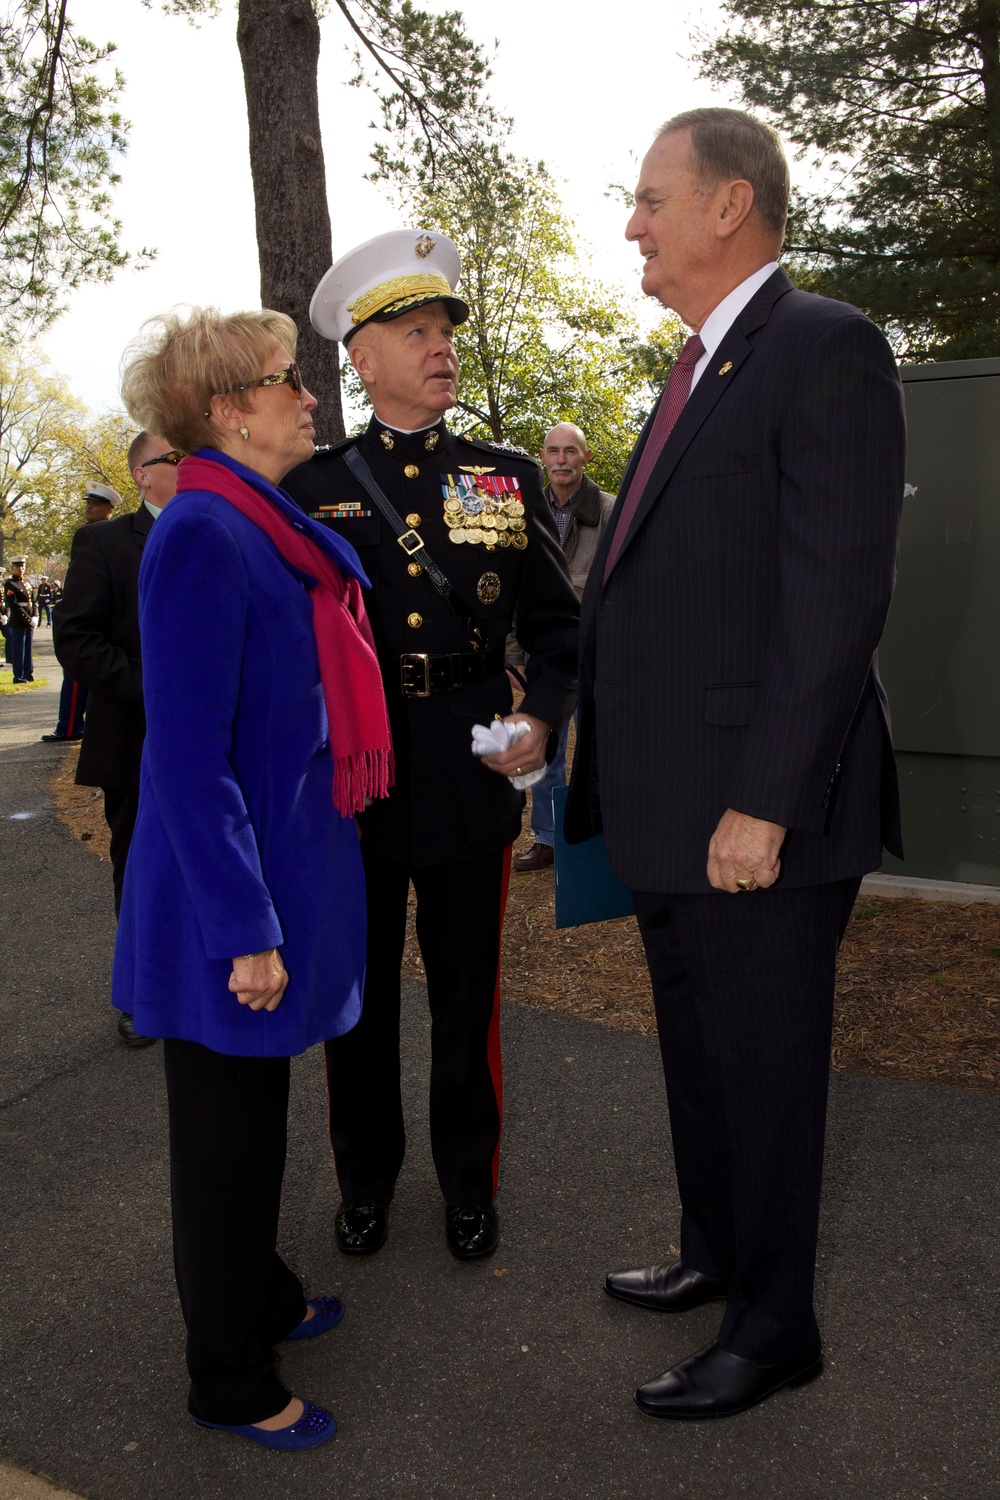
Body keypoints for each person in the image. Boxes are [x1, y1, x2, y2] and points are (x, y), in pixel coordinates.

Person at [565, 108, 905, 1420]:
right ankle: (718, 1253)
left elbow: (834, 598)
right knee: (703, 1061)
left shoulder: (823, 346)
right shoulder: (697, 365)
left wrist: (763, 800)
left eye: (652, 199)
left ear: (730, 207)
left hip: (762, 814)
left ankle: (777, 1328)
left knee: (764, 1074)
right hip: (673, 809)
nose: (633, 226)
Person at [113, 306, 392, 1450]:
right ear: (229, 411)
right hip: (226, 907)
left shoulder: (260, 523)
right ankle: (227, 1374)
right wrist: (245, 931)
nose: (309, 397)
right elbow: (183, 755)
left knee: (257, 1118)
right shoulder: (201, 533)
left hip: (276, 879)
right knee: (226, 1145)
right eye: (288, 381)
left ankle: (264, 1296)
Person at [284, 229, 579, 1262]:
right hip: (354, 781)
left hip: (464, 767)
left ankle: (469, 1181)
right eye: (414, 332)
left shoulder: (500, 478)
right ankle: (365, 1181)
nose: (440, 347)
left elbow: (555, 627)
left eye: (445, 328)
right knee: (356, 997)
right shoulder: (313, 482)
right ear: (361, 357)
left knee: (467, 998)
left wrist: (539, 716)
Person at [52, 441, 178, 1046]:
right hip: (136, 737)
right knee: (141, 866)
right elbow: (77, 640)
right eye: (174, 455)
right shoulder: (103, 543)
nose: (188, 464)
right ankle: (139, 994)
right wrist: (156, 690)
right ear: (141, 475)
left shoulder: (217, 529)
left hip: (221, 739)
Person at [512, 423, 615, 872]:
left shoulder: (611, 509)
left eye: (570, 451)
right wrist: (513, 651)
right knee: (545, 744)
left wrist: (570, 591)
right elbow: (517, 585)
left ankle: (605, 835)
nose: (561, 460)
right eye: (553, 451)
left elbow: (616, 580)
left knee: (601, 743)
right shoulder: (524, 507)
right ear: (543, 455)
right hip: (546, 648)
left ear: (585, 456)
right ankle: (549, 838)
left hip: (596, 646)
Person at [42, 484, 122, 744]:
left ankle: (70, 726)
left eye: (96, 504)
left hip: (95, 619)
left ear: (109, 509)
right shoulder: (100, 533)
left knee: (77, 678)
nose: (89, 507)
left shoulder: (101, 535)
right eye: (88, 502)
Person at [3, 558, 34, 682]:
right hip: (18, 621)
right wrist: (28, 619)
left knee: (28, 649)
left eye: (23, 566)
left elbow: (33, 601)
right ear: (13, 568)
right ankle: (18, 675)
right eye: (18, 566)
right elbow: (14, 605)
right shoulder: (10, 584)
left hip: (29, 620)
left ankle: (28, 672)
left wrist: (35, 616)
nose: (21, 569)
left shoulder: (27, 583)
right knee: (19, 650)